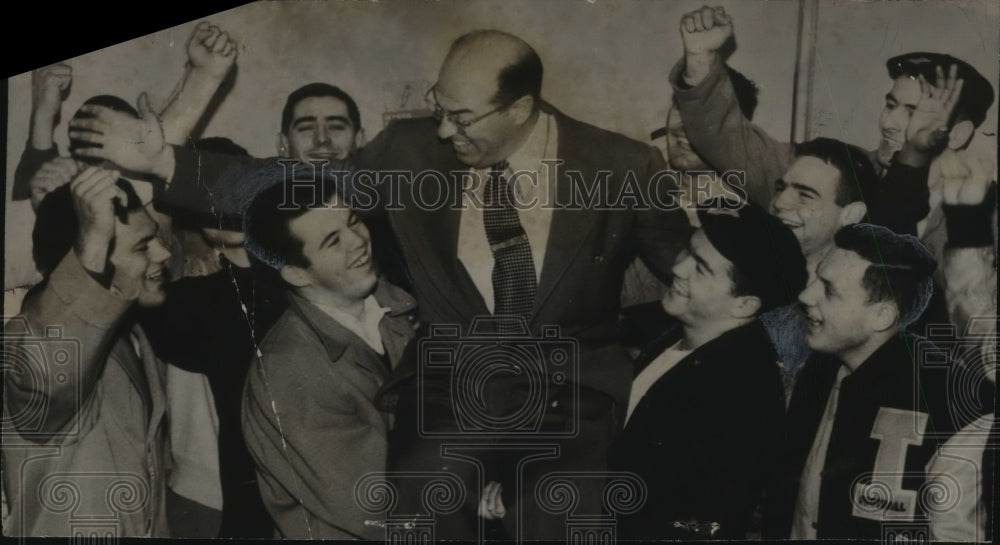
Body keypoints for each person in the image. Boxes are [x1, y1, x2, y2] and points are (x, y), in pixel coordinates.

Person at [67, 29, 692, 540]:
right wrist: (166, 163)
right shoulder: (410, 151)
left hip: (570, 382)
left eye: (461, 117)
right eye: (437, 108)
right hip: (452, 380)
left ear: (521, 108)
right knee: (418, 510)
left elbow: (687, 268)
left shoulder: (621, 165)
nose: (444, 131)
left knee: (560, 520)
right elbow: (294, 193)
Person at [669, 6, 994, 236]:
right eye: (890, 105)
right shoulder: (842, 169)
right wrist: (700, 59)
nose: (889, 123)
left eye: (912, 112)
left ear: (957, 134)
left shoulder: (986, 218)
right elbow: (735, 144)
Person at [763, 223, 994, 539]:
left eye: (828, 289)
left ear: (882, 316)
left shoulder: (959, 402)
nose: (806, 295)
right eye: (814, 278)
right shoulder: (819, 368)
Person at [610, 201, 807, 539]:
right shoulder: (677, 334)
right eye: (688, 250)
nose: (678, 268)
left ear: (744, 305)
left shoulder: (742, 393)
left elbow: (710, 525)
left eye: (700, 267)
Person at [239, 166, 418, 539]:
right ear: (297, 274)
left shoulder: (401, 306)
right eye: (333, 241)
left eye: (354, 221)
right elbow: (373, 501)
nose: (358, 241)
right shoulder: (288, 368)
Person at [3, 171, 172, 536]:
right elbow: (49, 374)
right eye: (143, 246)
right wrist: (92, 242)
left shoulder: (134, 332)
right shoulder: (26, 338)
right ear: (85, 260)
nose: (165, 253)